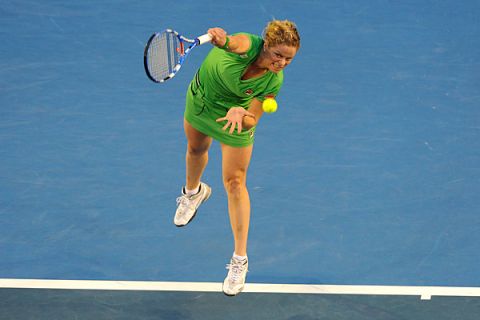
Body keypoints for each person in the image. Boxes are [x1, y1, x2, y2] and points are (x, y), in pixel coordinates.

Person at [173, 20, 300, 296]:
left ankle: (239, 260)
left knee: (235, 182)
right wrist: (221, 40)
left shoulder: (273, 80)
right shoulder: (247, 45)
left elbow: (253, 118)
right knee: (195, 149)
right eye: (278, 55)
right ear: (266, 45)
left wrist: (241, 114)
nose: (282, 63)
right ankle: (193, 193)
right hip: (202, 101)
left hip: (234, 119)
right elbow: (233, 43)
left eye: (289, 58)